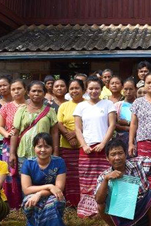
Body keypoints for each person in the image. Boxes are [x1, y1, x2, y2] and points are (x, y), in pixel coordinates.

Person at [95, 140, 151, 226]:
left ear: (126, 154)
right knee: (101, 206)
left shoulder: (138, 164)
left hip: (143, 210)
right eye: (113, 154)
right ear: (107, 158)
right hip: (121, 215)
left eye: (120, 153)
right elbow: (98, 200)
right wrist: (106, 180)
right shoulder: (104, 175)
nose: (117, 157)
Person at [73, 76, 117, 218]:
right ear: (86, 90)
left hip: (104, 148)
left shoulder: (108, 104)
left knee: (104, 178)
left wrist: (103, 143)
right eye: (91, 88)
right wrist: (84, 145)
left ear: (101, 89)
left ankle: (104, 209)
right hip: (87, 149)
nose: (94, 91)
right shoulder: (81, 106)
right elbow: (78, 129)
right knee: (87, 179)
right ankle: (88, 210)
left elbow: (112, 125)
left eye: (97, 88)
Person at [20, 133, 72, 226]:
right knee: (29, 201)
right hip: (32, 196)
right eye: (39, 146)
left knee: (56, 201)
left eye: (47, 146)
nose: (43, 150)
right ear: (34, 148)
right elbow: (26, 189)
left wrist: (39, 193)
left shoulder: (59, 162)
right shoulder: (28, 163)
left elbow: (58, 189)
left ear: (52, 148)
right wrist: (49, 186)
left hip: (51, 195)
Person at [10, 81, 59, 172]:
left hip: (44, 152)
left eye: (40, 91)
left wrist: (55, 152)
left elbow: (55, 133)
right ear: (28, 93)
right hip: (23, 151)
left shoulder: (50, 111)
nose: (36, 93)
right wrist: (12, 153)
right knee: (24, 181)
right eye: (33, 91)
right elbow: (15, 132)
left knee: (43, 179)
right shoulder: (21, 110)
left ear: (44, 94)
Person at [0, 79, 27, 209]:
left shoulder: (30, 106)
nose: (16, 91)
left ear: (25, 90)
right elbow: (0, 126)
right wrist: (6, 134)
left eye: (19, 88)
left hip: (26, 144)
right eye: (13, 89)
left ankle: (26, 200)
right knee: (10, 172)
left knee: (25, 171)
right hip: (9, 144)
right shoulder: (6, 107)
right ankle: (12, 203)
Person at [56, 79, 85, 207]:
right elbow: (59, 123)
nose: (74, 91)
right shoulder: (64, 106)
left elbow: (89, 122)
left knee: (81, 174)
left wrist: (74, 134)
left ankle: (82, 201)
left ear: (83, 90)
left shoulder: (88, 104)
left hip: (83, 145)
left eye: (77, 88)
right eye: (72, 88)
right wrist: (69, 136)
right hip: (66, 146)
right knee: (69, 174)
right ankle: (69, 202)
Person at [114, 78, 136, 142]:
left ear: (135, 89)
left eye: (131, 89)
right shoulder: (117, 105)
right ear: (122, 89)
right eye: (126, 89)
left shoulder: (140, 105)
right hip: (120, 137)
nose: (128, 92)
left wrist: (128, 123)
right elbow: (113, 123)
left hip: (137, 136)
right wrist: (125, 128)